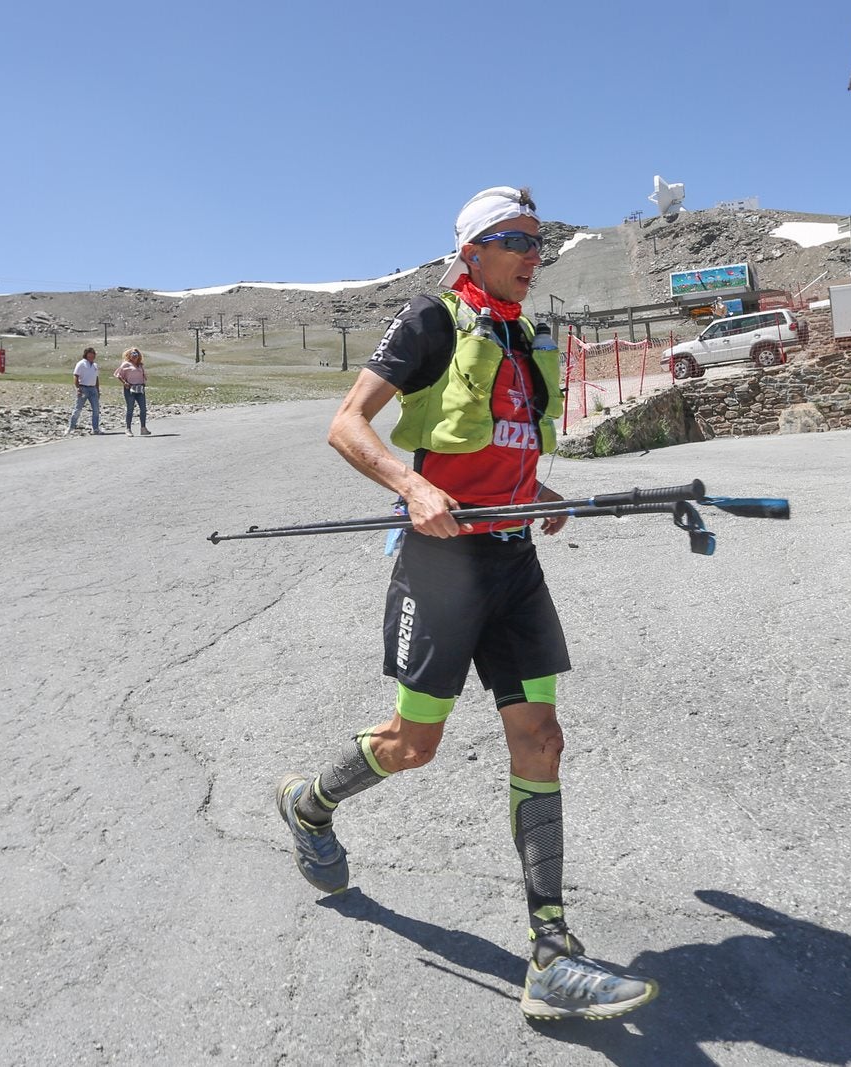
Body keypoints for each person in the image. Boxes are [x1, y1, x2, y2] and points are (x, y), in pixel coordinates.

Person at [273, 185, 659, 1022]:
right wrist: (412, 486)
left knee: (542, 735)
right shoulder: (433, 319)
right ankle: (311, 802)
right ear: (474, 249)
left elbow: (498, 444)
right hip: (443, 565)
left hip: (513, 557)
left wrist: (535, 484)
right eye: (517, 239)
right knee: (415, 745)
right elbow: (348, 424)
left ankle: (552, 949)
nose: (535, 253)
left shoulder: (523, 336)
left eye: (540, 239)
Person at [115, 348, 151, 436]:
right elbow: (118, 375)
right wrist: (124, 383)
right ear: (129, 356)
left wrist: (144, 383)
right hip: (130, 389)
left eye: (136, 354)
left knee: (143, 408)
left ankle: (143, 428)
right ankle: (128, 429)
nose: (135, 356)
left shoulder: (140, 365)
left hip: (140, 388)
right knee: (130, 408)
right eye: (133, 354)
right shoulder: (125, 364)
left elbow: (143, 375)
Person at [66, 347, 102, 434]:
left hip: (93, 389)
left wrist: (97, 389)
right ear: (86, 355)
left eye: (93, 355)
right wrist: (78, 388)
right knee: (78, 408)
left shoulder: (95, 365)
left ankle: (95, 428)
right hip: (83, 388)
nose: (91, 357)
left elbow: (96, 378)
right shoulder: (81, 364)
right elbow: (76, 376)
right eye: (89, 355)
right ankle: (71, 428)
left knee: (96, 409)